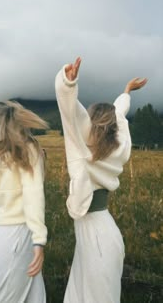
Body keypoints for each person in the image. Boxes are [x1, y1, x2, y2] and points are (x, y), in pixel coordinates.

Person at [55, 57, 147, 303]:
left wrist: (67, 84)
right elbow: (119, 113)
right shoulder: (120, 148)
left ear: (91, 124)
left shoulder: (84, 148)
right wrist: (126, 91)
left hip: (97, 241)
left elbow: (69, 112)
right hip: (102, 235)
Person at [0, 100, 48, 303]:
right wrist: (39, 239)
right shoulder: (29, 151)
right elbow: (33, 194)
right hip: (19, 235)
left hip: (2, 233)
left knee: (35, 298)